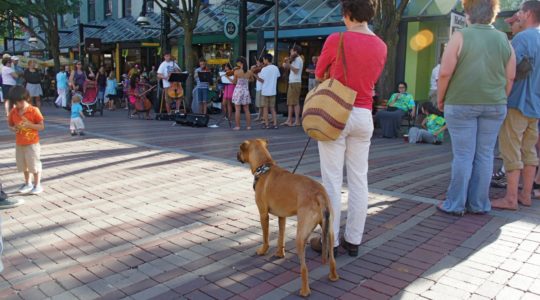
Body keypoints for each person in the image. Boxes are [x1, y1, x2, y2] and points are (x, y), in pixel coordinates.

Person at [309, 0, 387, 257]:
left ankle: (329, 241)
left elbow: (320, 73)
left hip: (337, 112)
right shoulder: (381, 45)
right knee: (359, 179)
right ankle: (353, 240)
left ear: (349, 13)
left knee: (331, 179)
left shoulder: (337, 39)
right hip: (364, 114)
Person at [437, 0, 516, 215]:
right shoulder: (504, 39)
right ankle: (479, 204)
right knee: (485, 154)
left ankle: (455, 204)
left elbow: (445, 73)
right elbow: (511, 76)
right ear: (493, 14)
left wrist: (441, 99)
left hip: (461, 102)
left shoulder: (460, 36)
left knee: (463, 155)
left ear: (468, 12)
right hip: (494, 104)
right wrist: (501, 98)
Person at [492, 0, 540, 210]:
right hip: (535, 105)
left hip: (517, 102)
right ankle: (526, 195)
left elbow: (508, 70)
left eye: (520, 11)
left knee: (511, 150)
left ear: (528, 13)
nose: (518, 15)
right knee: (529, 151)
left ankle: (510, 198)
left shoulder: (523, 38)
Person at [7, 86, 45, 195]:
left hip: (32, 144)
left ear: (26, 98)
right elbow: (10, 125)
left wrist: (30, 125)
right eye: (15, 102)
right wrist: (13, 129)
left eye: (20, 102)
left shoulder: (33, 110)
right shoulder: (13, 112)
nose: (17, 105)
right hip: (20, 143)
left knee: (34, 164)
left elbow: (41, 126)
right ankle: (27, 183)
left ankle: (37, 184)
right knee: (23, 165)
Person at [254, 53, 280, 129]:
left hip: (265, 91)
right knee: (272, 108)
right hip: (273, 91)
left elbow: (261, 80)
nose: (263, 61)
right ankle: (275, 124)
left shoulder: (264, 69)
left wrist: (255, 75)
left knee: (265, 108)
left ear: (266, 60)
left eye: (264, 59)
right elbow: (278, 77)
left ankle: (267, 124)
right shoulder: (275, 68)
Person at [281, 45, 303, 126]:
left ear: (296, 51)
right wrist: (285, 63)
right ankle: (291, 120)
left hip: (295, 82)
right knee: (291, 102)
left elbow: (296, 70)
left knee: (294, 102)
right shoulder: (295, 59)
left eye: (292, 51)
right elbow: (287, 67)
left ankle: (294, 120)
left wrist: (288, 65)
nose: (290, 52)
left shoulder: (298, 59)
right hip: (293, 82)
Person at [231, 57, 252, 130]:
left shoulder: (236, 72)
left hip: (238, 90)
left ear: (240, 63)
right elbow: (252, 79)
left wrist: (227, 77)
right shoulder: (249, 72)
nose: (237, 64)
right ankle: (248, 126)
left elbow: (234, 82)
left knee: (237, 109)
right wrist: (245, 81)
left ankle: (237, 126)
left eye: (237, 63)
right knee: (246, 109)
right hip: (245, 90)